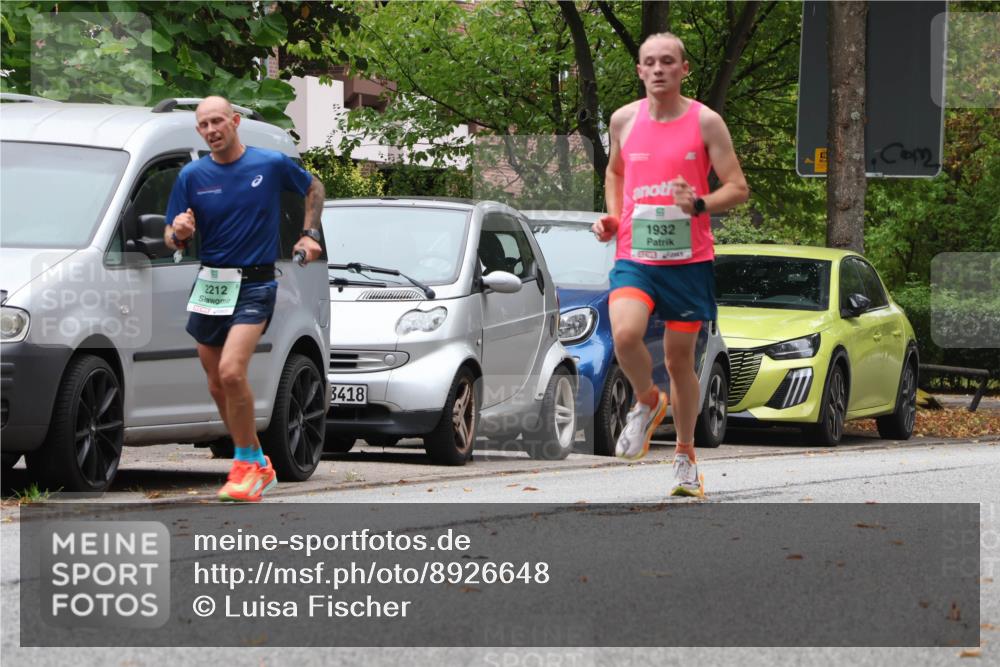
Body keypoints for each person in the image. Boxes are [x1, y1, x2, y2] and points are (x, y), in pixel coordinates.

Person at [592, 33, 749, 497]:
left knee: (679, 361)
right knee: (624, 333)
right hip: (635, 255)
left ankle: (684, 455)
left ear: (684, 69)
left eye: (667, 62)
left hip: (688, 261)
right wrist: (615, 218)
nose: (658, 69)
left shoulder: (706, 122)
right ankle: (646, 401)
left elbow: (737, 188)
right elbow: (616, 172)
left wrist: (700, 203)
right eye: (649, 63)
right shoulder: (622, 120)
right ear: (639, 71)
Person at [164, 96, 325, 502]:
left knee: (233, 371)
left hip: (255, 283)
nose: (211, 130)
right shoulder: (191, 175)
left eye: (218, 121)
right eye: (203, 125)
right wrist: (179, 231)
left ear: (235, 121)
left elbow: (313, 187)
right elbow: (170, 238)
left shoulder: (268, 164)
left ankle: (245, 465)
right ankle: (255, 460)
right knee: (217, 382)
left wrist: (310, 234)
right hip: (211, 285)